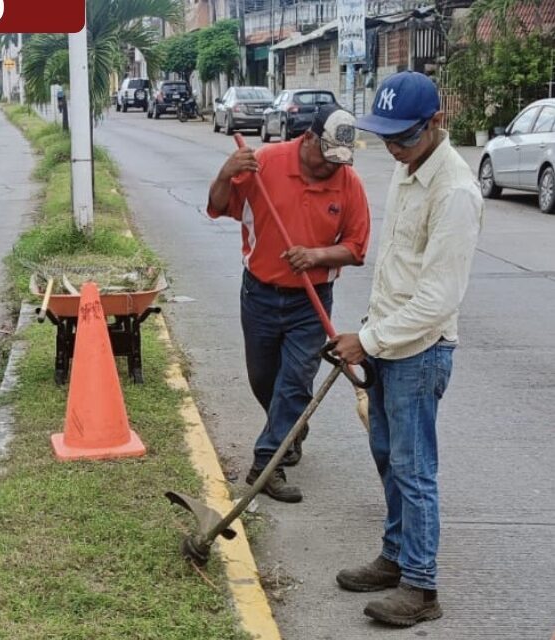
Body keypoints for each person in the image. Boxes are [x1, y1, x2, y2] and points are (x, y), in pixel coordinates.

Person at [332, 71, 484, 627]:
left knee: (414, 469)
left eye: (405, 137)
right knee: (386, 457)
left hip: (421, 352)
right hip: (387, 343)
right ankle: (395, 557)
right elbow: (395, 270)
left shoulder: (456, 193)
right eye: (387, 137)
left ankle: (421, 587)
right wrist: (369, 334)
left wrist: (368, 339)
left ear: (436, 123)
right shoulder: (406, 171)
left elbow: (438, 300)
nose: (394, 148)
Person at [207, 105, 371, 503]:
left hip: (310, 303)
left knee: (295, 381)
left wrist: (315, 256)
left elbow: (356, 248)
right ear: (310, 138)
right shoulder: (265, 163)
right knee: (264, 379)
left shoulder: (348, 183)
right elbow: (217, 206)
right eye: (328, 156)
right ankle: (290, 429)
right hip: (260, 294)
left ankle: (267, 463)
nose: (334, 167)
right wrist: (226, 173)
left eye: (341, 161)